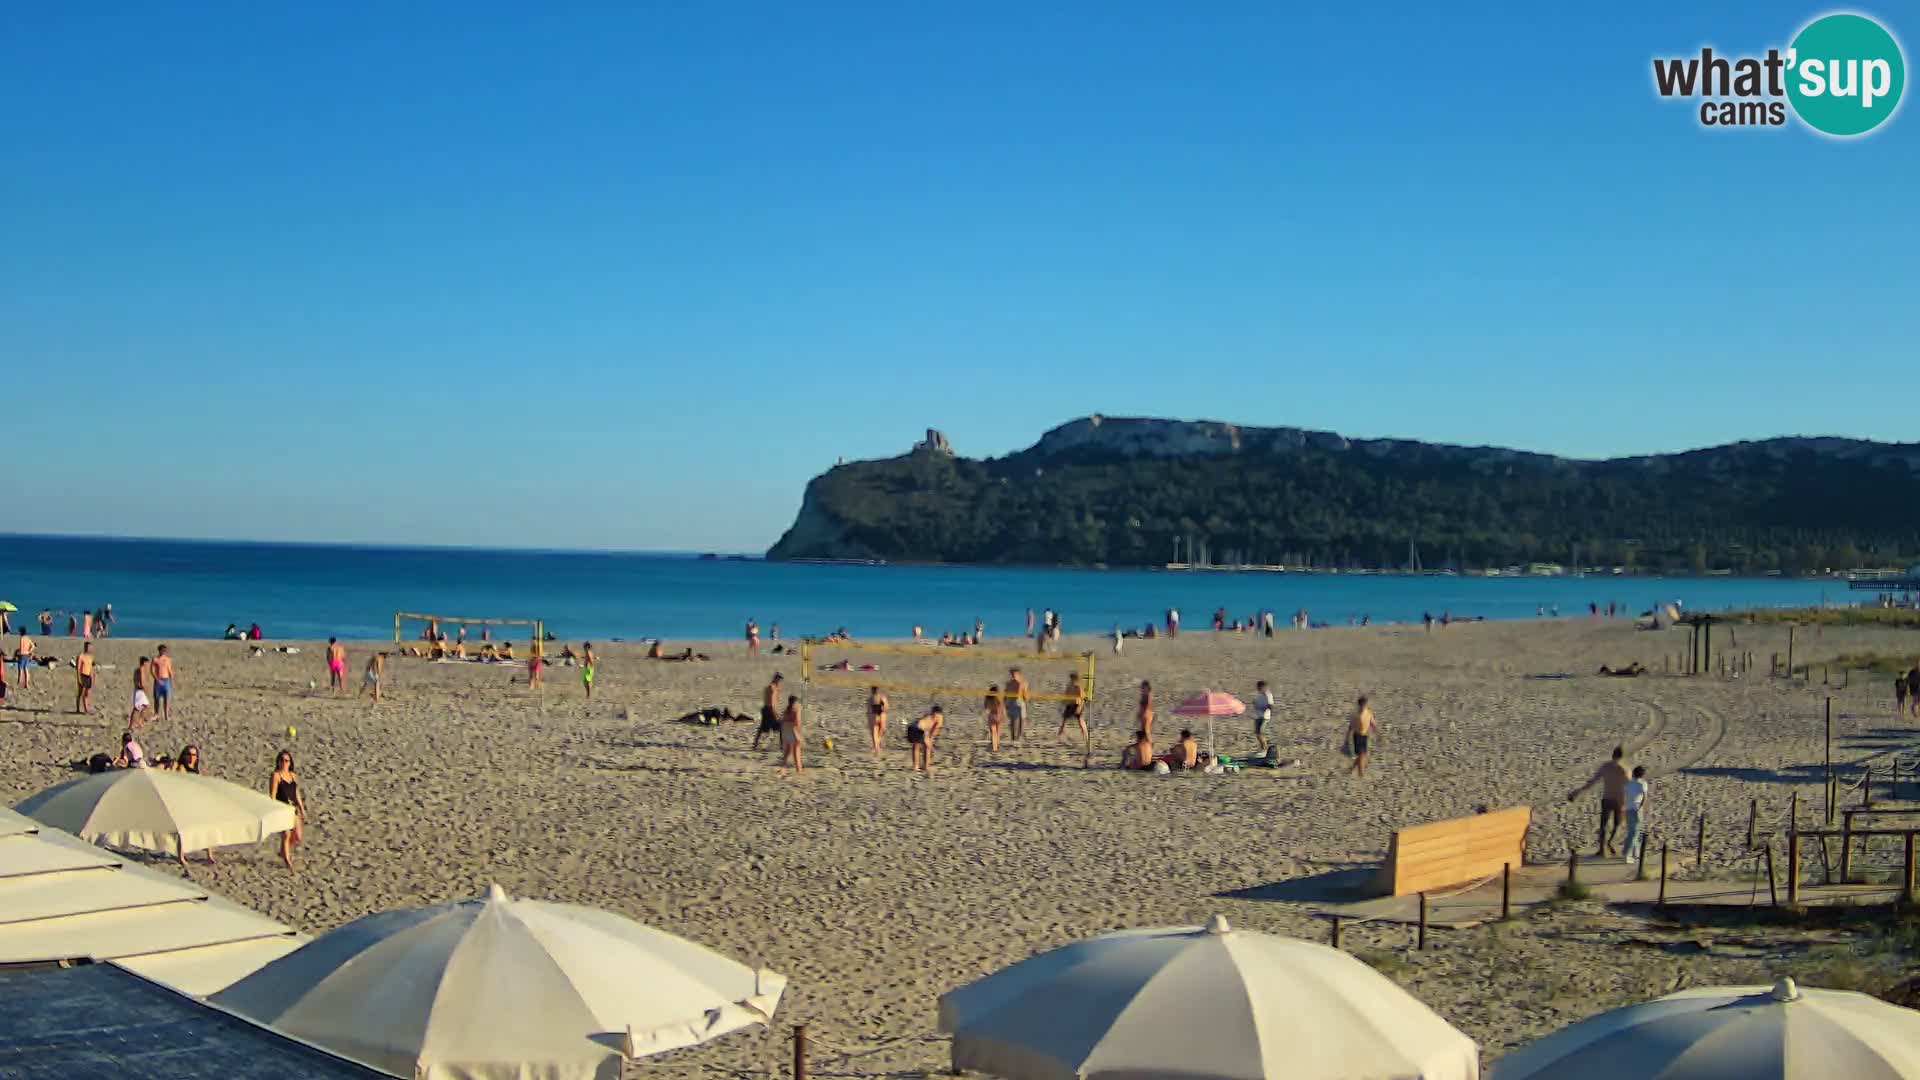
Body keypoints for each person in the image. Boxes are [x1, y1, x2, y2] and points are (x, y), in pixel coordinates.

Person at [1568, 745, 1631, 857]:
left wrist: (1577, 792)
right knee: (1617, 824)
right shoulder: (1625, 770)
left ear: (1613, 755)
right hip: (1619, 800)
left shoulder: (1605, 767)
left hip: (1607, 798)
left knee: (1603, 825)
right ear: (1622, 756)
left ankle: (1601, 849)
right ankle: (1610, 842)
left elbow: (1592, 782)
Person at [269, 750, 306, 870]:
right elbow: (273, 795)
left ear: (290, 762)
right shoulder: (276, 776)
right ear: (278, 762)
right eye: (282, 760)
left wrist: (301, 808)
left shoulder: (293, 776)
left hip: (293, 809)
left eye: (287, 760)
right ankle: (287, 862)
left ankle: (283, 851)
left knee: (297, 837)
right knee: (286, 835)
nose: (284, 763)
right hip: (282, 809)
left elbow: (296, 793)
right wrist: (273, 810)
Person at [1623, 765, 1651, 862]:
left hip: (1628, 808)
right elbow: (1645, 797)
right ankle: (1628, 855)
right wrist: (1642, 808)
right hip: (1637, 809)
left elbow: (1625, 795)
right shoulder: (1643, 784)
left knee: (1631, 831)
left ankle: (1635, 853)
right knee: (1635, 832)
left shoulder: (1628, 783)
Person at [1345, 695, 1377, 779]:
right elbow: (1350, 727)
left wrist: (1378, 734)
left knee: (1362, 755)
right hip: (1357, 736)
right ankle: (1361, 774)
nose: (1364, 706)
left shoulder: (1369, 713)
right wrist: (1347, 738)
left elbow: (1373, 724)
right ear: (1359, 705)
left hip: (1365, 736)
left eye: (1365, 704)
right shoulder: (1356, 715)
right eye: (1362, 705)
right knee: (1361, 755)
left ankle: (1352, 768)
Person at [908, 704, 944, 772]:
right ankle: (926, 767)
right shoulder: (939, 716)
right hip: (920, 728)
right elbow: (937, 726)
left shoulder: (928, 715)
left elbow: (926, 724)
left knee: (916, 747)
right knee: (927, 748)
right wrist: (931, 737)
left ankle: (915, 767)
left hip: (913, 726)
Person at [754, 674, 784, 751]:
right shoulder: (772, 687)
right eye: (779, 679)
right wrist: (775, 713)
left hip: (766, 709)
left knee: (763, 728)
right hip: (769, 710)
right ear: (776, 679)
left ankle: (755, 744)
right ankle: (782, 747)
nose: (780, 681)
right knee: (780, 727)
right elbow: (771, 702)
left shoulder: (773, 687)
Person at [1056, 671, 1087, 745]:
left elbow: (1083, 698)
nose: (1071, 680)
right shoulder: (1069, 685)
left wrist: (1079, 707)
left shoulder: (1078, 687)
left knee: (1080, 721)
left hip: (1077, 705)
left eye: (1073, 678)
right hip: (1070, 705)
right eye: (1071, 678)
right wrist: (1062, 703)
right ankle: (1059, 735)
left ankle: (1086, 736)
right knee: (1064, 720)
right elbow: (1066, 695)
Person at [779, 695, 804, 772]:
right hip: (793, 729)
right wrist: (799, 733)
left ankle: (783, 767)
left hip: (785, 728)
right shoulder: (796, 709)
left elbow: (782, 720)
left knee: (788, 750)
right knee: (797, 749)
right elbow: (797, 721)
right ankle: (799, 769)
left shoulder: (787, 709)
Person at [128, 655, 153, 730]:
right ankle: (138, 722)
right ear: (144, 663)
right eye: (147, 663)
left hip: (137, 690)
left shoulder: (137, 670)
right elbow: (142, 681)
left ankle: (135, 723)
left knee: (143, 707)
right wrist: (145, 689)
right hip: (140, 691)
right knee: (139, 708)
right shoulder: (141, 670)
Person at [1252, 679, 1275, 757]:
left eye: (1259, 687)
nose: (1258, 689)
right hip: (1258, 716)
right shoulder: (1259, 695)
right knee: (1258, 734)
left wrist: (1265, 708)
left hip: (1264, 717)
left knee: (1260, 733)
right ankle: (1263, 749)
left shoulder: (1268, 695)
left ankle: (1265, 749)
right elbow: (1256, 704)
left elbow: (1270, 706)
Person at [152, 644, 175, 722]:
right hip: (158, 681)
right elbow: (152, 671)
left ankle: (166, 716)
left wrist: (171, 679)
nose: (165, 652)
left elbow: (169, 669)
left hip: (166, 681)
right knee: (157, 699)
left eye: (166, 650)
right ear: (160, 651)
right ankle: (156, 714)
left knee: (167, 699)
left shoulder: (168, 659)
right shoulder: (155, 659)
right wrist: (157, 679)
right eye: (164, 650)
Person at [1006, 667, 1028, 741]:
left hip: (1017, 701)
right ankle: (1015, 737)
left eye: (1013, 674)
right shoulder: (1012, 683)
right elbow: (1006, 693)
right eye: (1012, 674)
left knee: (1019, 720)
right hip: (1015, 701)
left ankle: (1017, 737)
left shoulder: (1020, 683)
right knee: (1015, 720)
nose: (1012, 675)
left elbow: (1024, 695)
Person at [867, 685, 889, 755]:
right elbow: (886, 708)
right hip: (877, 714)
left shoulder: (872, 698)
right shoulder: (880, 697)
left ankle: (876, 747)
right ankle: (876, 747)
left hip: (876, 714)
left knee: (876, 731)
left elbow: (885, 708)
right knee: (878, 731)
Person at [74, 641, 96, 715]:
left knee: (87, 694)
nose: (89, 649)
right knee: (81, 693)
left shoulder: (90, 657)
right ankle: (80, 709)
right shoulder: (80, 656)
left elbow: (91, 668)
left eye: (90, 647)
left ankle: (86, 708)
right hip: (82, 675)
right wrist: (78, 678)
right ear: (85, 647)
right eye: (88, 647)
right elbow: (78, 668)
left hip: (88, 676)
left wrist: (92, 678)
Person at [984, 684, 1006, 752]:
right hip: (999, 715)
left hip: (991, 715)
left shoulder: (988, 698)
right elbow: (1002, 706)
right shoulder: (998, 697)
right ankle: (997, 745)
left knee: (993, 732)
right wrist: (1004, 715)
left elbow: (986, 707)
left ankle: (994, 748)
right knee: (998, 732)